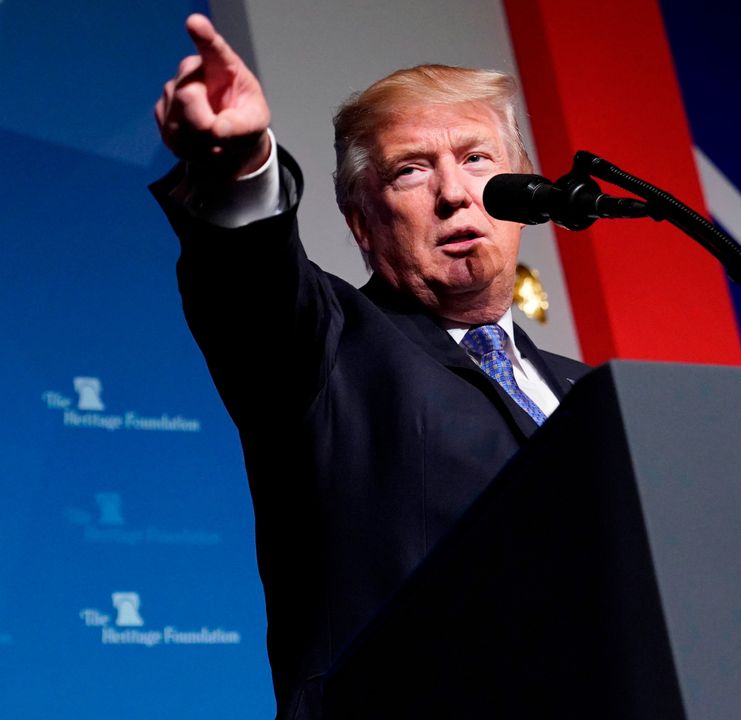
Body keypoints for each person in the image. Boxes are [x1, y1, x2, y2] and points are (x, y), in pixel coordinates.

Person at [151, 14, 588, 719]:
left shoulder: (587, 392)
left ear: (524, 191)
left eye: (477, 159)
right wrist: (235, 167)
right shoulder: (325, 348)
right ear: (360, 220)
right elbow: (250, 279)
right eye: (411, 170)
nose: (454, 192)